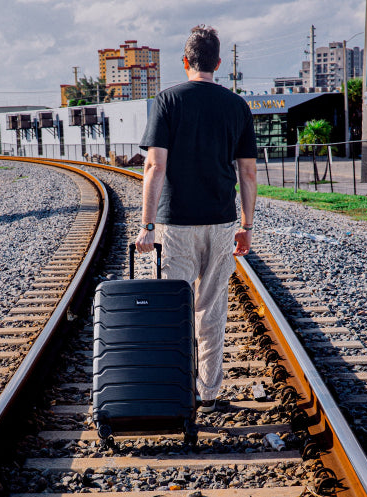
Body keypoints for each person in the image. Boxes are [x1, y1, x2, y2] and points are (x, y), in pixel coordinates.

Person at [135, 25, 258, 413]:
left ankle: (176, 391)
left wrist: (147, 226)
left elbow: (155, 166)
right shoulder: (237, 105)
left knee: (177, 308)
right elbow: (248, 172)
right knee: (212, 308)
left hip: (177, 225)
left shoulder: (168, 100)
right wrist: (247, 225)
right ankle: (208, 393)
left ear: (185, 62)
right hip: (221, 223)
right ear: (218, 63)